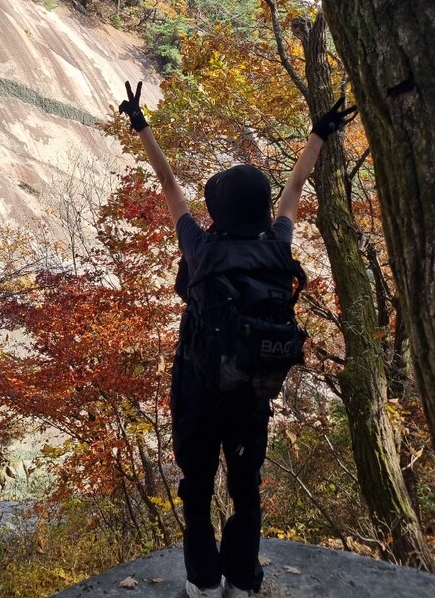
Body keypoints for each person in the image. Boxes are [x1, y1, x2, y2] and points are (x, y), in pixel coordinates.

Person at [118, 81, 356, 598]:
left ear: (219, 210)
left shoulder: (201, 249)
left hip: (200, 392)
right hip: (253, 391)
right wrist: (319, 135)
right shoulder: (277, 247)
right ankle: (244, 581)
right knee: (246, 488)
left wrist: (141, 125)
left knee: (197, 488)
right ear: (259, 208)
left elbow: (168, 183)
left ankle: (203, 582)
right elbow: (295, 189)